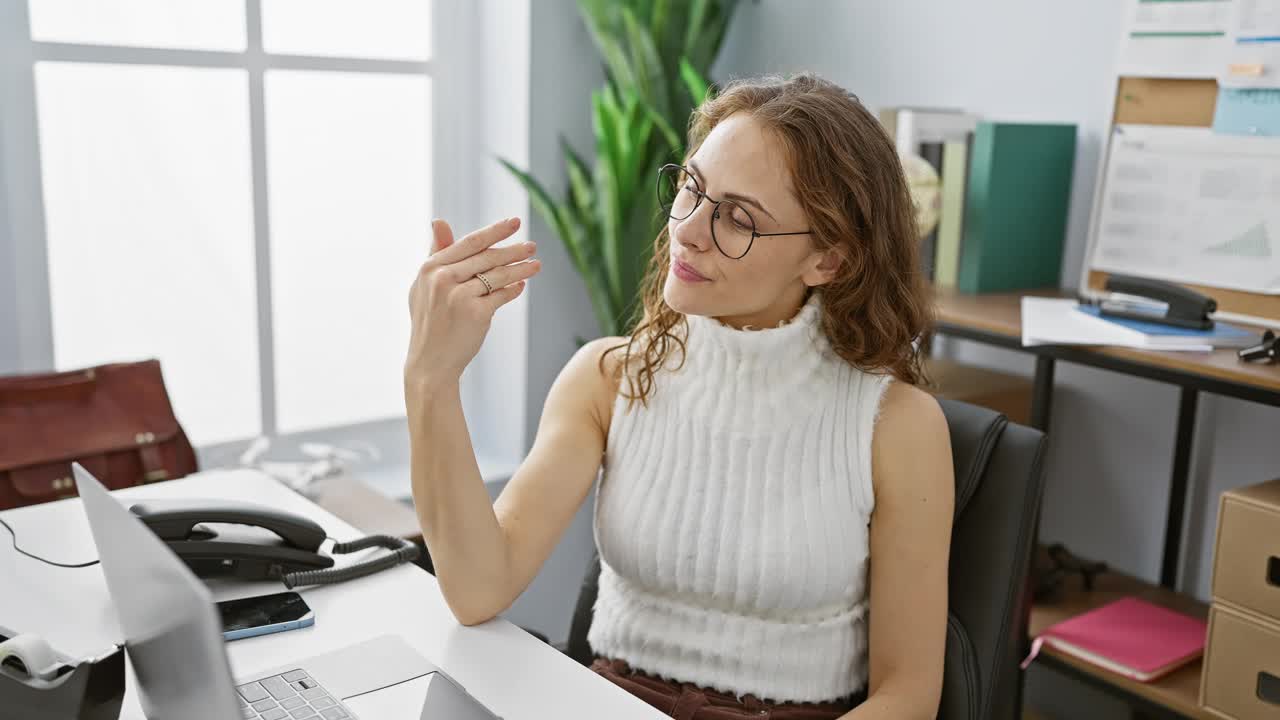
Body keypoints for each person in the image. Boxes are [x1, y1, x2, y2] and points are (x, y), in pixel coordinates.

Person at [404, 72, 954, 720]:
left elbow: (909, 695)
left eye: (738, 219)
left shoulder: (896, 427)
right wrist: (432, 381)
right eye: (691, 189)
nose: (688, 231)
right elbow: (476, 588)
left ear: (827, 262)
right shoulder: (607, 379)